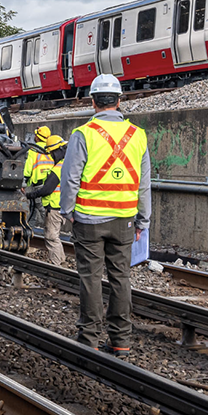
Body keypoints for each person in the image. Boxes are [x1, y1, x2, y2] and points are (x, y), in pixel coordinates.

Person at [59, 74, 150, 358]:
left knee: (91, 278)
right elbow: (144, 184)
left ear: (93, 101)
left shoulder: (83, 134)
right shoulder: (138, 135)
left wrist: (67, 211)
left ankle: (89, 338)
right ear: (119, 100)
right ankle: (121, 340)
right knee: (121, 278)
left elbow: (70, 178)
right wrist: (142, 220)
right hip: (124, 220)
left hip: (88, 220)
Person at [24, 134, 68, 266]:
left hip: (54, 207)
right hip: (64, 206)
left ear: (58, 150)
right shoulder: (70, 164)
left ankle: (57, 267)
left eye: (52, 153)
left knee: (51, 237)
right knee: (55, 236)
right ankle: (62, 262)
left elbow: (47, 190)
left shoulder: (59, 168)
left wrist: (30, 195)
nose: (51, 157)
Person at [23, 125, 53, 227]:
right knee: (39, 207)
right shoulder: (50, 150)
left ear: (37, 137)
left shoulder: (33, 151)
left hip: (38, 185)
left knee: (37, 208)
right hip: (50, 184)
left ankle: (50, 230)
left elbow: (27, 170)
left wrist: (23, 184)